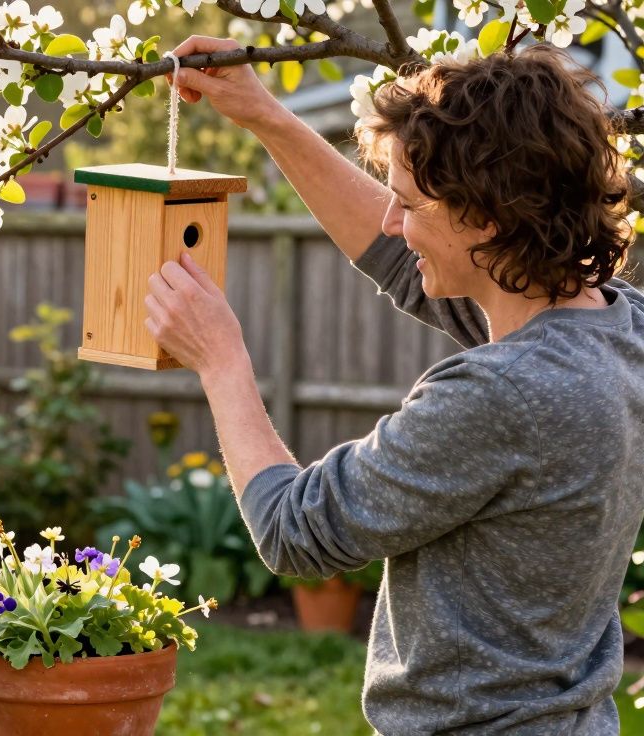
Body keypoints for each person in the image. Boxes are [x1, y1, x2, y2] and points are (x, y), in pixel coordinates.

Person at [145, 39, 644, 733]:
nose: (389, 218)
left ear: (486, 219)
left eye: (409, 202)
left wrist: (219, 358)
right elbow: (404, 261)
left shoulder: (500, 396)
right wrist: (265, 115)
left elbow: (298, 530)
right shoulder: (617, 328)